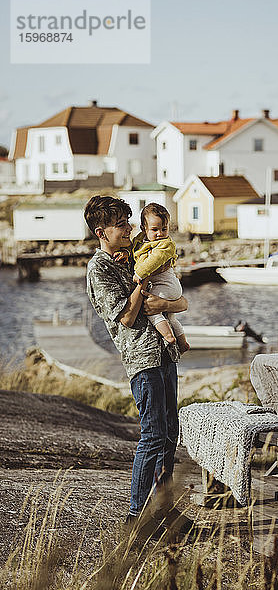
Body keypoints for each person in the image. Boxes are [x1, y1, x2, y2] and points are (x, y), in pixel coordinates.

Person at [84, 195, 188, 524]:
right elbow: (126, 317)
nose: (129, 227)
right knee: (154, 434)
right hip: (142, 358)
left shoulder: (129, 257)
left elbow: (178, 301)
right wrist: (143, 285)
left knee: (170, 432)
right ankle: (137, 517)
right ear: (101, 232)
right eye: (120, 224)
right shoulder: (99, 268)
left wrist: (166, 303)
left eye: (128, 221)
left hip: (164, 353)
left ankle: (162, 511)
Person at [113, 202, 190, 354]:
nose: (160, 233)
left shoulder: (165, 244)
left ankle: (168, 336)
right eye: (155, 230)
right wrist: (127, 254)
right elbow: (134, 250)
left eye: (164, 229)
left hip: (167, 284)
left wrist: (140, 274)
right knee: (171, 318)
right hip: (164, 286)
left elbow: (154, 260)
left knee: (152, 311)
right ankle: (183, 343)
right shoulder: (141, 240)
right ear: (143, 229)